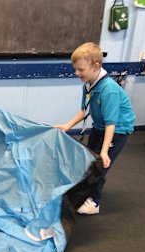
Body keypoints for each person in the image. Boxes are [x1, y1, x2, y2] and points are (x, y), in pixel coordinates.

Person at [54, 42, 135, 215]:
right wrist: (67, 125)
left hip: (117, 130)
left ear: (96, 66)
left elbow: (111, 124)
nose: (76, 73)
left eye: (80, 69)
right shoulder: (89, 84)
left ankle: (94, 203)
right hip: (99, 127)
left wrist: (105, 151)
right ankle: (85, 194)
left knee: (99, 166)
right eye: (75, 69)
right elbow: (84, 110)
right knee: (88, 161)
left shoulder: (109, 90)